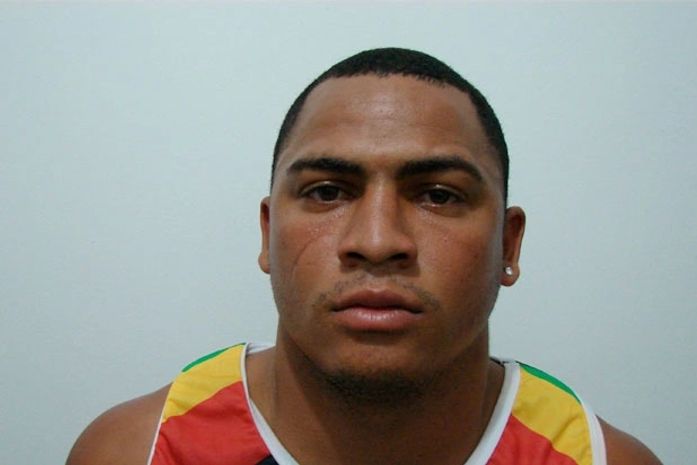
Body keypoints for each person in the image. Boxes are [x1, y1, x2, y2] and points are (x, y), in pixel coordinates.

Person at [66, 47, 662, 465]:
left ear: (508, 245)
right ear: (268, 234)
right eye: (327, 192)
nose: (377, 242)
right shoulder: (137, 451)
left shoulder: (598, 458)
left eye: (438, 195)